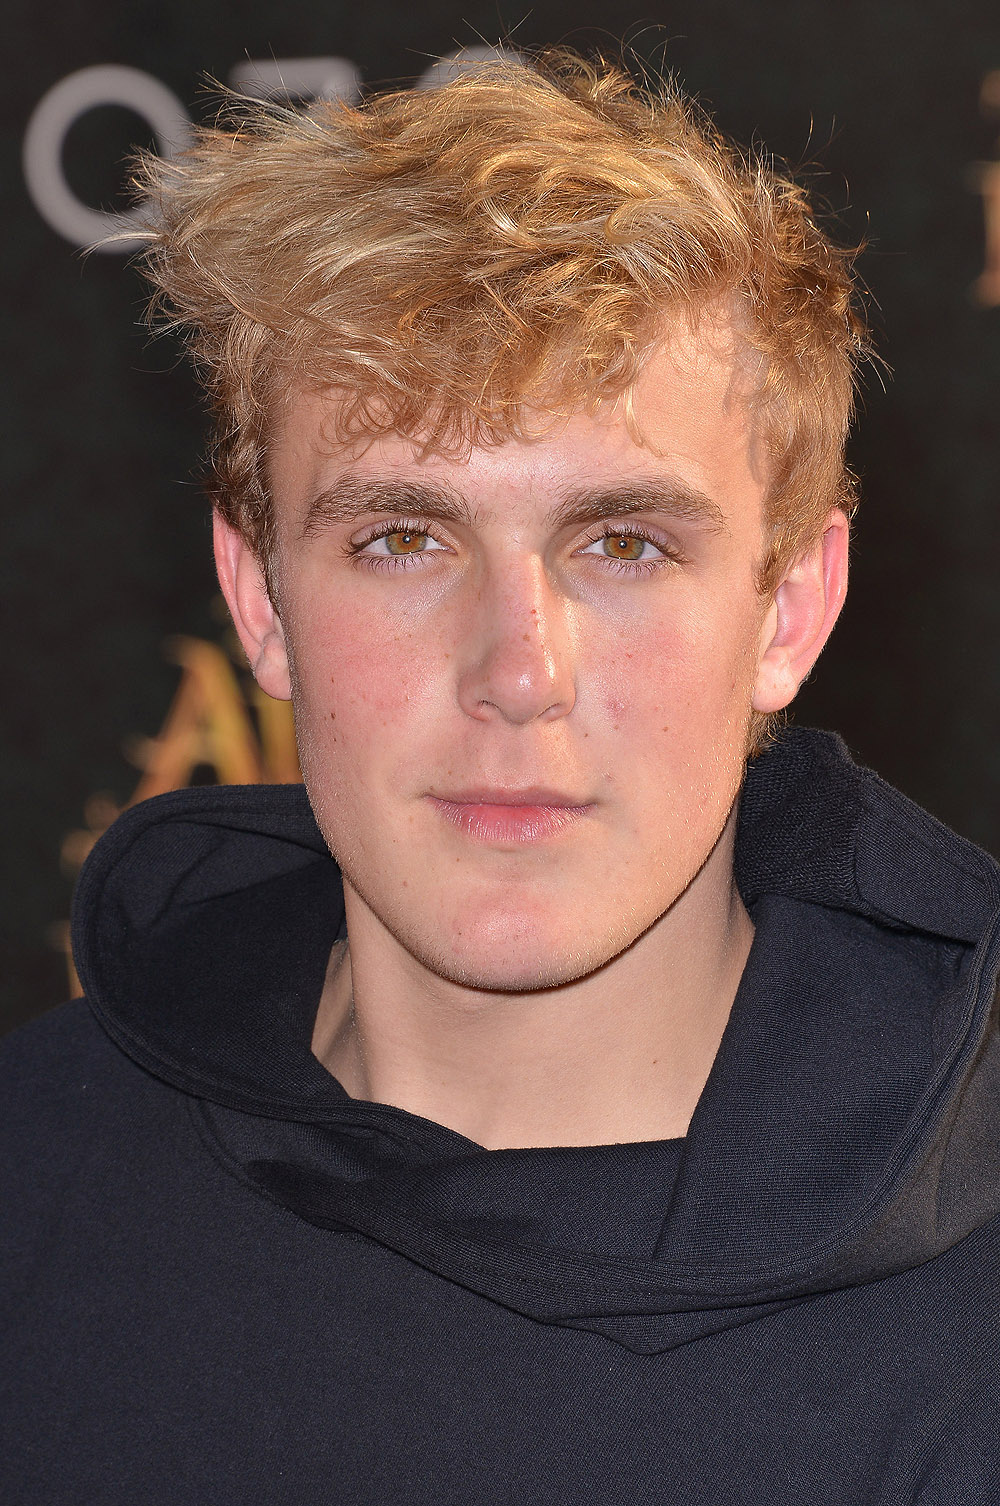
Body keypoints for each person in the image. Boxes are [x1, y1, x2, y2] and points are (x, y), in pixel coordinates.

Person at [3, 51, 999, 1504]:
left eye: (625, 544)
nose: (518, 670)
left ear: (791, 606)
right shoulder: (33, 1170)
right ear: (260, 594)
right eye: (404, 539)